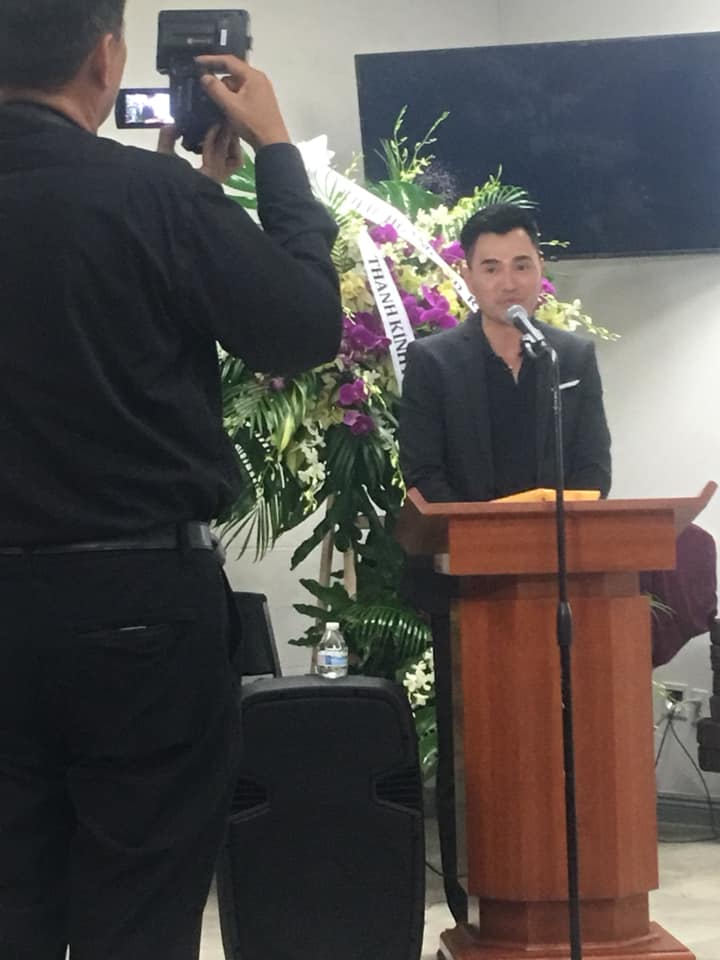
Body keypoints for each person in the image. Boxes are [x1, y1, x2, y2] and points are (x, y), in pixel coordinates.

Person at [0, 2, 342, 959]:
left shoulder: (160, 196)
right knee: (139, 914)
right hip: (138, 609)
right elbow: (302, 329)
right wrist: (276, 154)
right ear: (107, 58)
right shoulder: (153, 199)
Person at [397, 202, 611, 922]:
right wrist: (490, 538)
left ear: (540, 271)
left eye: (522, 265)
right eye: (491, 268)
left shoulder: (570, 358)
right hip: (469, 591)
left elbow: (594, 469)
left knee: (565, 745)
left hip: (562, 588)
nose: (509, 281)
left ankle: (572, 896)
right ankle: (476, 902)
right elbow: (424, 476)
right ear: (468, 276)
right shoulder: (433, 361)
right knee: (479, 753)